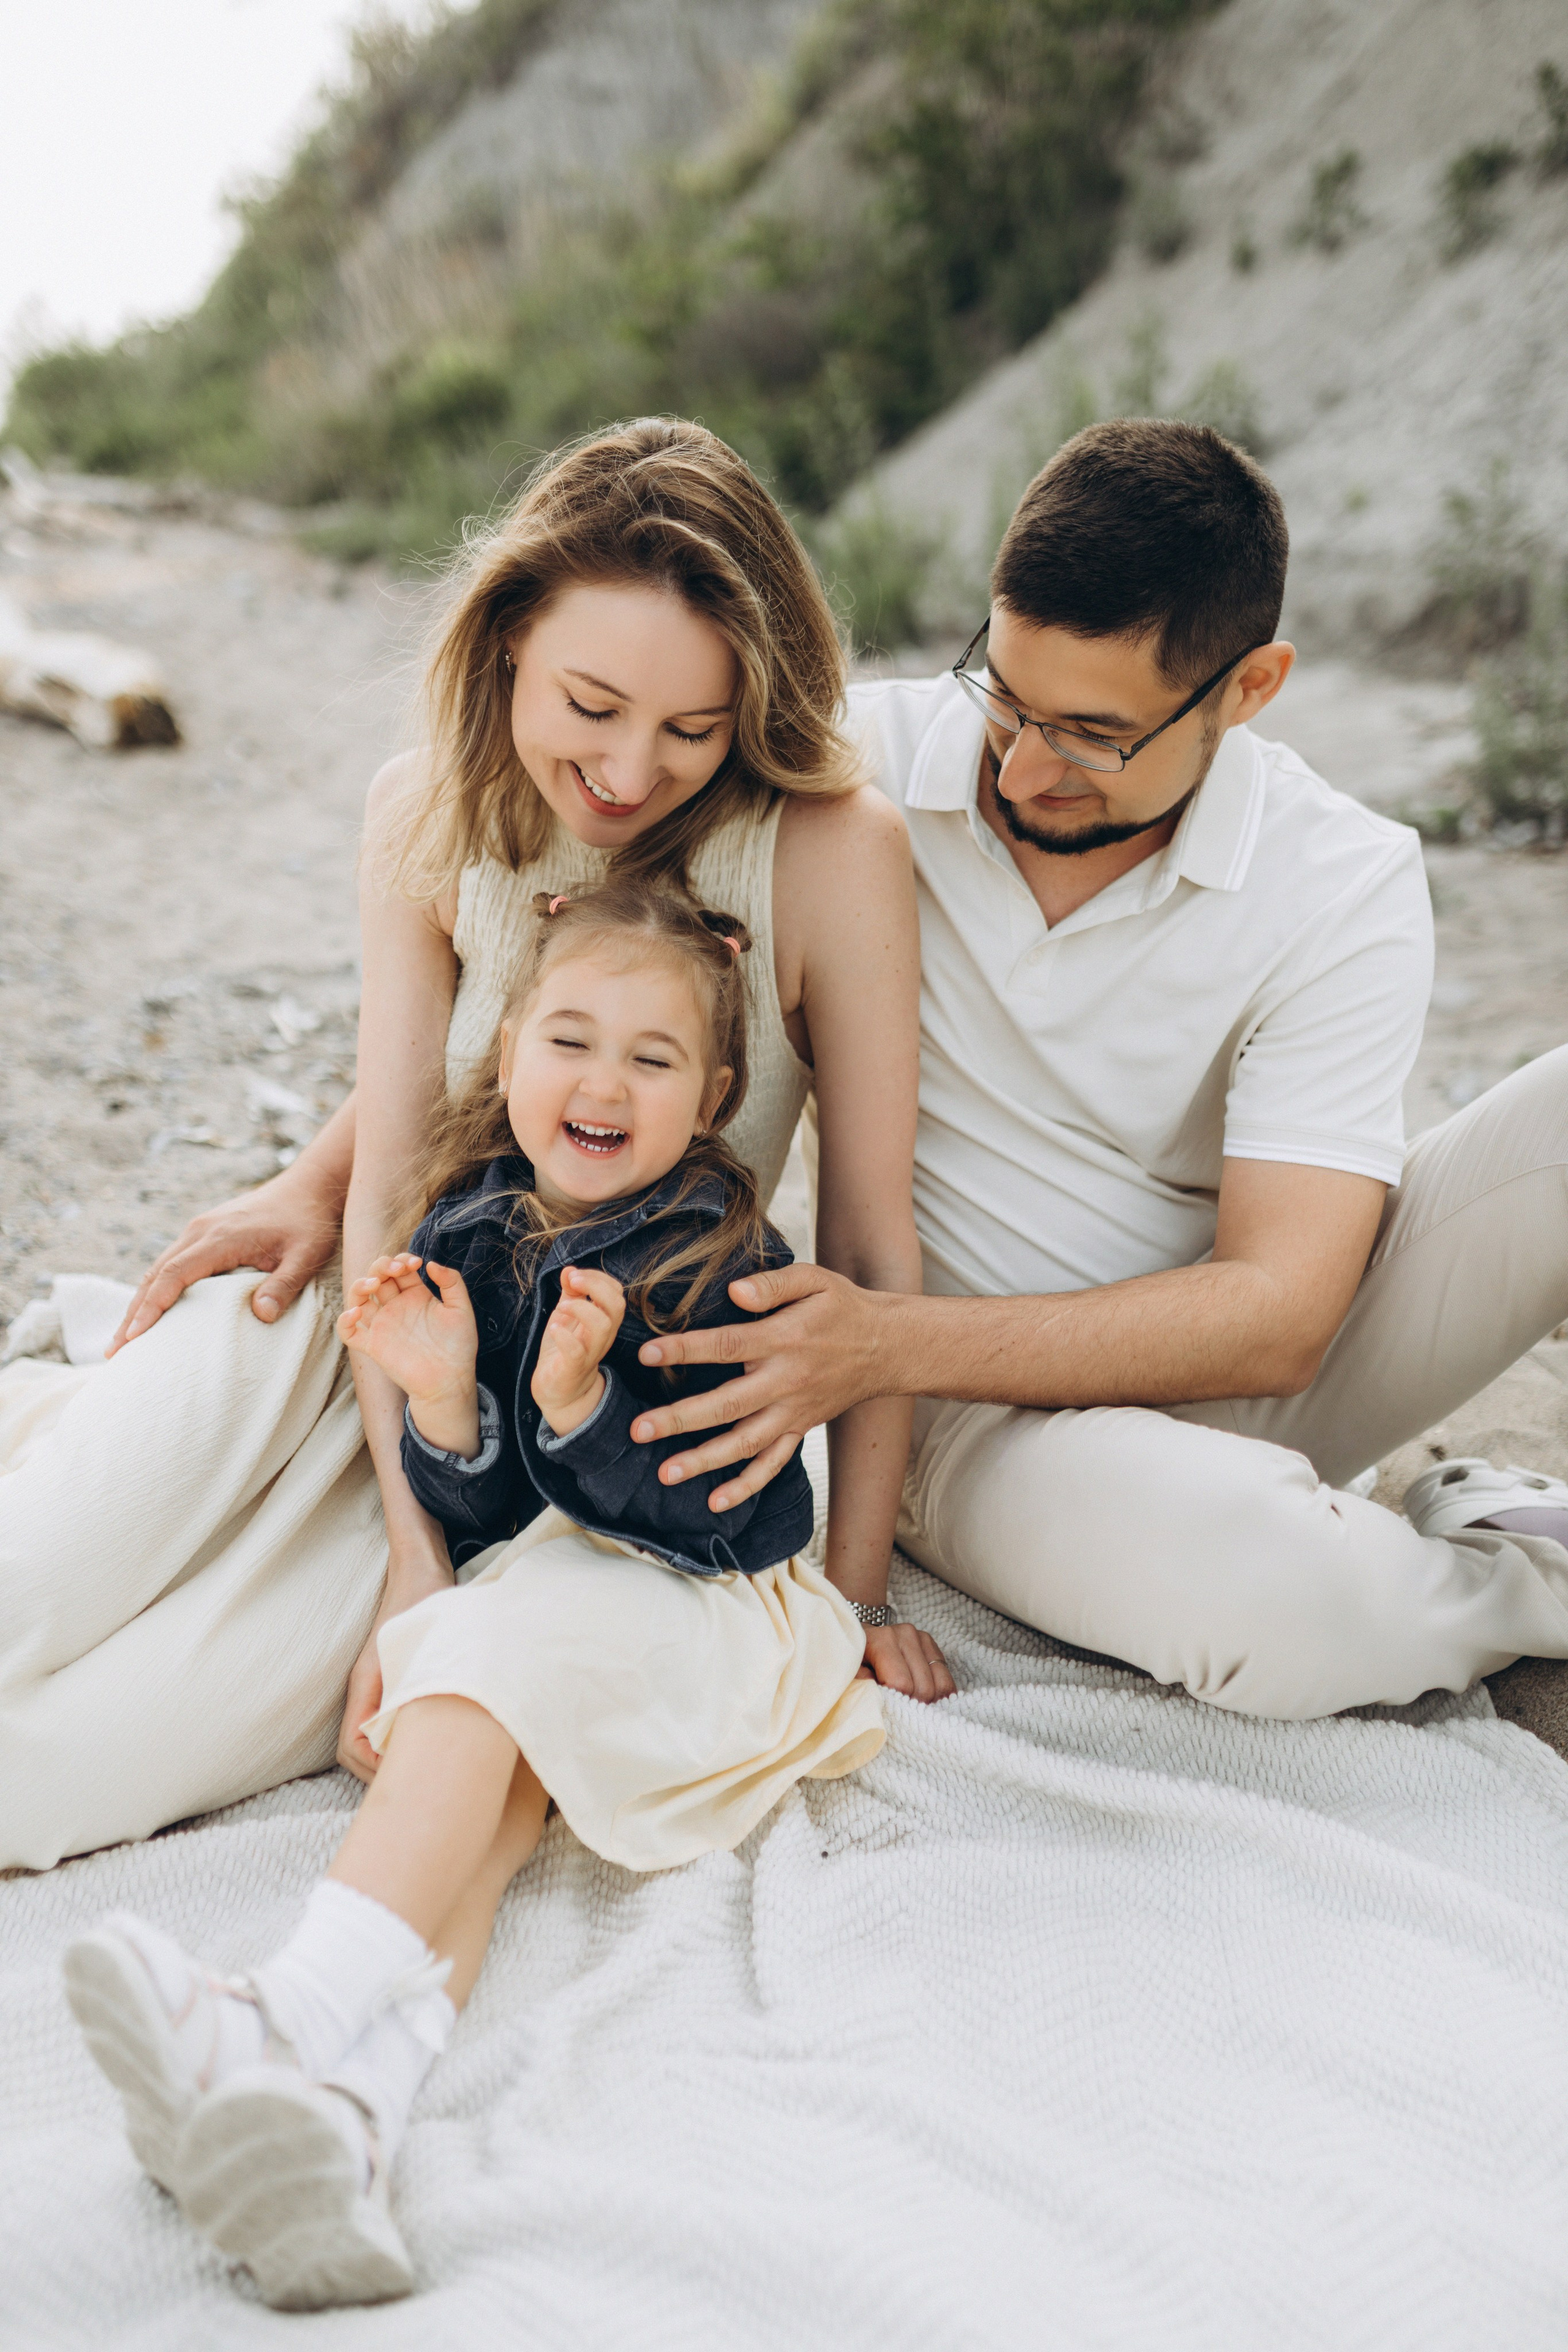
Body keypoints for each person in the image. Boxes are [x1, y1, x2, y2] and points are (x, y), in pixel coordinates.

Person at [0, 417, 943, 1874]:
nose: (629, 771)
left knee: (81, 1769)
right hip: (371, 1344)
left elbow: (871, 1251)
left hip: (564, 1466)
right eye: (591, 705)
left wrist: (858, 1592)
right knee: (38, 1566)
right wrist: (409, 1557)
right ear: (507, 642)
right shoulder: (426, 812)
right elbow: (389, 1176)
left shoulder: (828, 851)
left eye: (692, 728)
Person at [616, 419, 1568, 1721]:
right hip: (981, 1425)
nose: (1018, 765)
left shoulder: (1340, 876)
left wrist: (876, 1336)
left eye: (1089, 733)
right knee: (1276, 1599)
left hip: (1252, 1367)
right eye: (1003, 695)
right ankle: (1499, 1575)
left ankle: (1415, 1521)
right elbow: (546, 889)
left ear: (1249, 688)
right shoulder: (851, 774)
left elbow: (1284, 1313)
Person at [64, 878, 916, 2312]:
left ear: (712, 1098)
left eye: (651, 1059)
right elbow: (486, 1520)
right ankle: (353, 2123)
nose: (603, 1084)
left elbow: (728, 1514)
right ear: (509, 1046)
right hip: (559, 1598)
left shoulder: (716, 1260)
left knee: (472, 1673)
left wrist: (580, 1407)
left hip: (704, 1605)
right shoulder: (469, 1227)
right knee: (482, 1780)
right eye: (569, 1040)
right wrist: (450, 1402)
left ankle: (282, 2012)